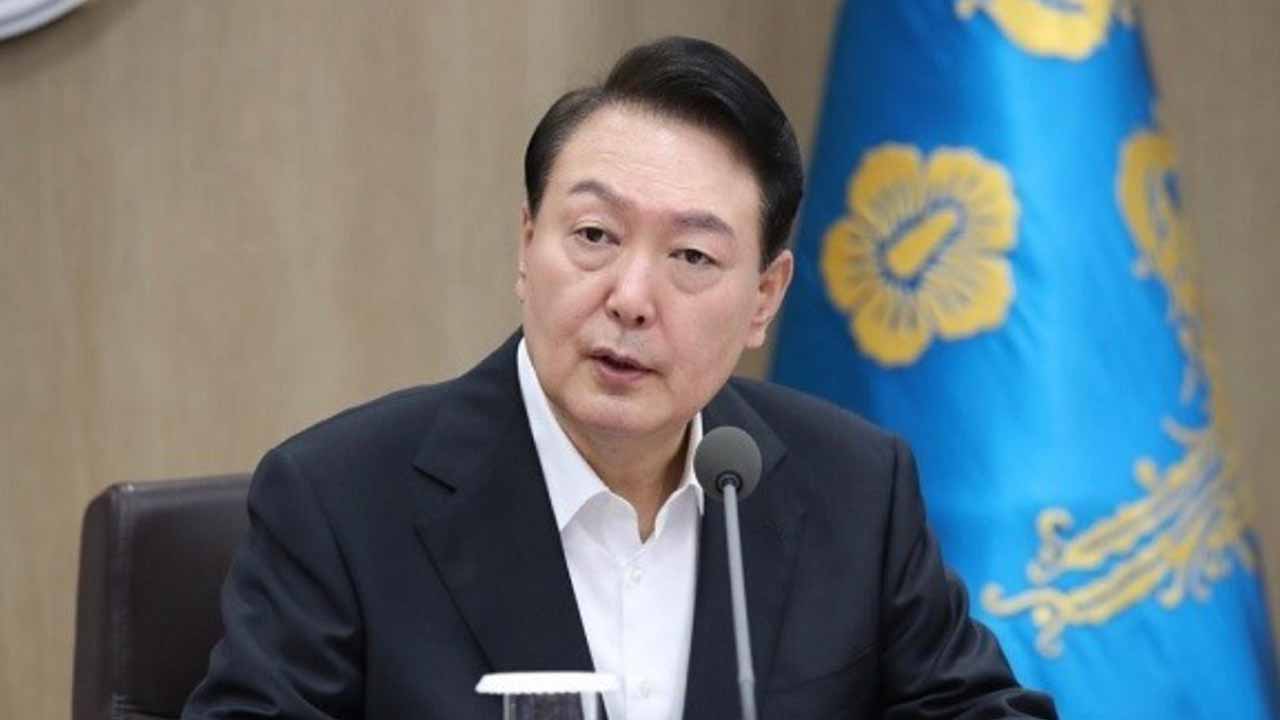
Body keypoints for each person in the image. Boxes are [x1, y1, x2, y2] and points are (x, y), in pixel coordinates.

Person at [183, 36, 1057, 719]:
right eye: (595, 236)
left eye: (691, 256)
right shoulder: (340, 502)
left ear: (763, 298)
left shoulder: (855, 490)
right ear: (527, 245)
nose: (631, 299)